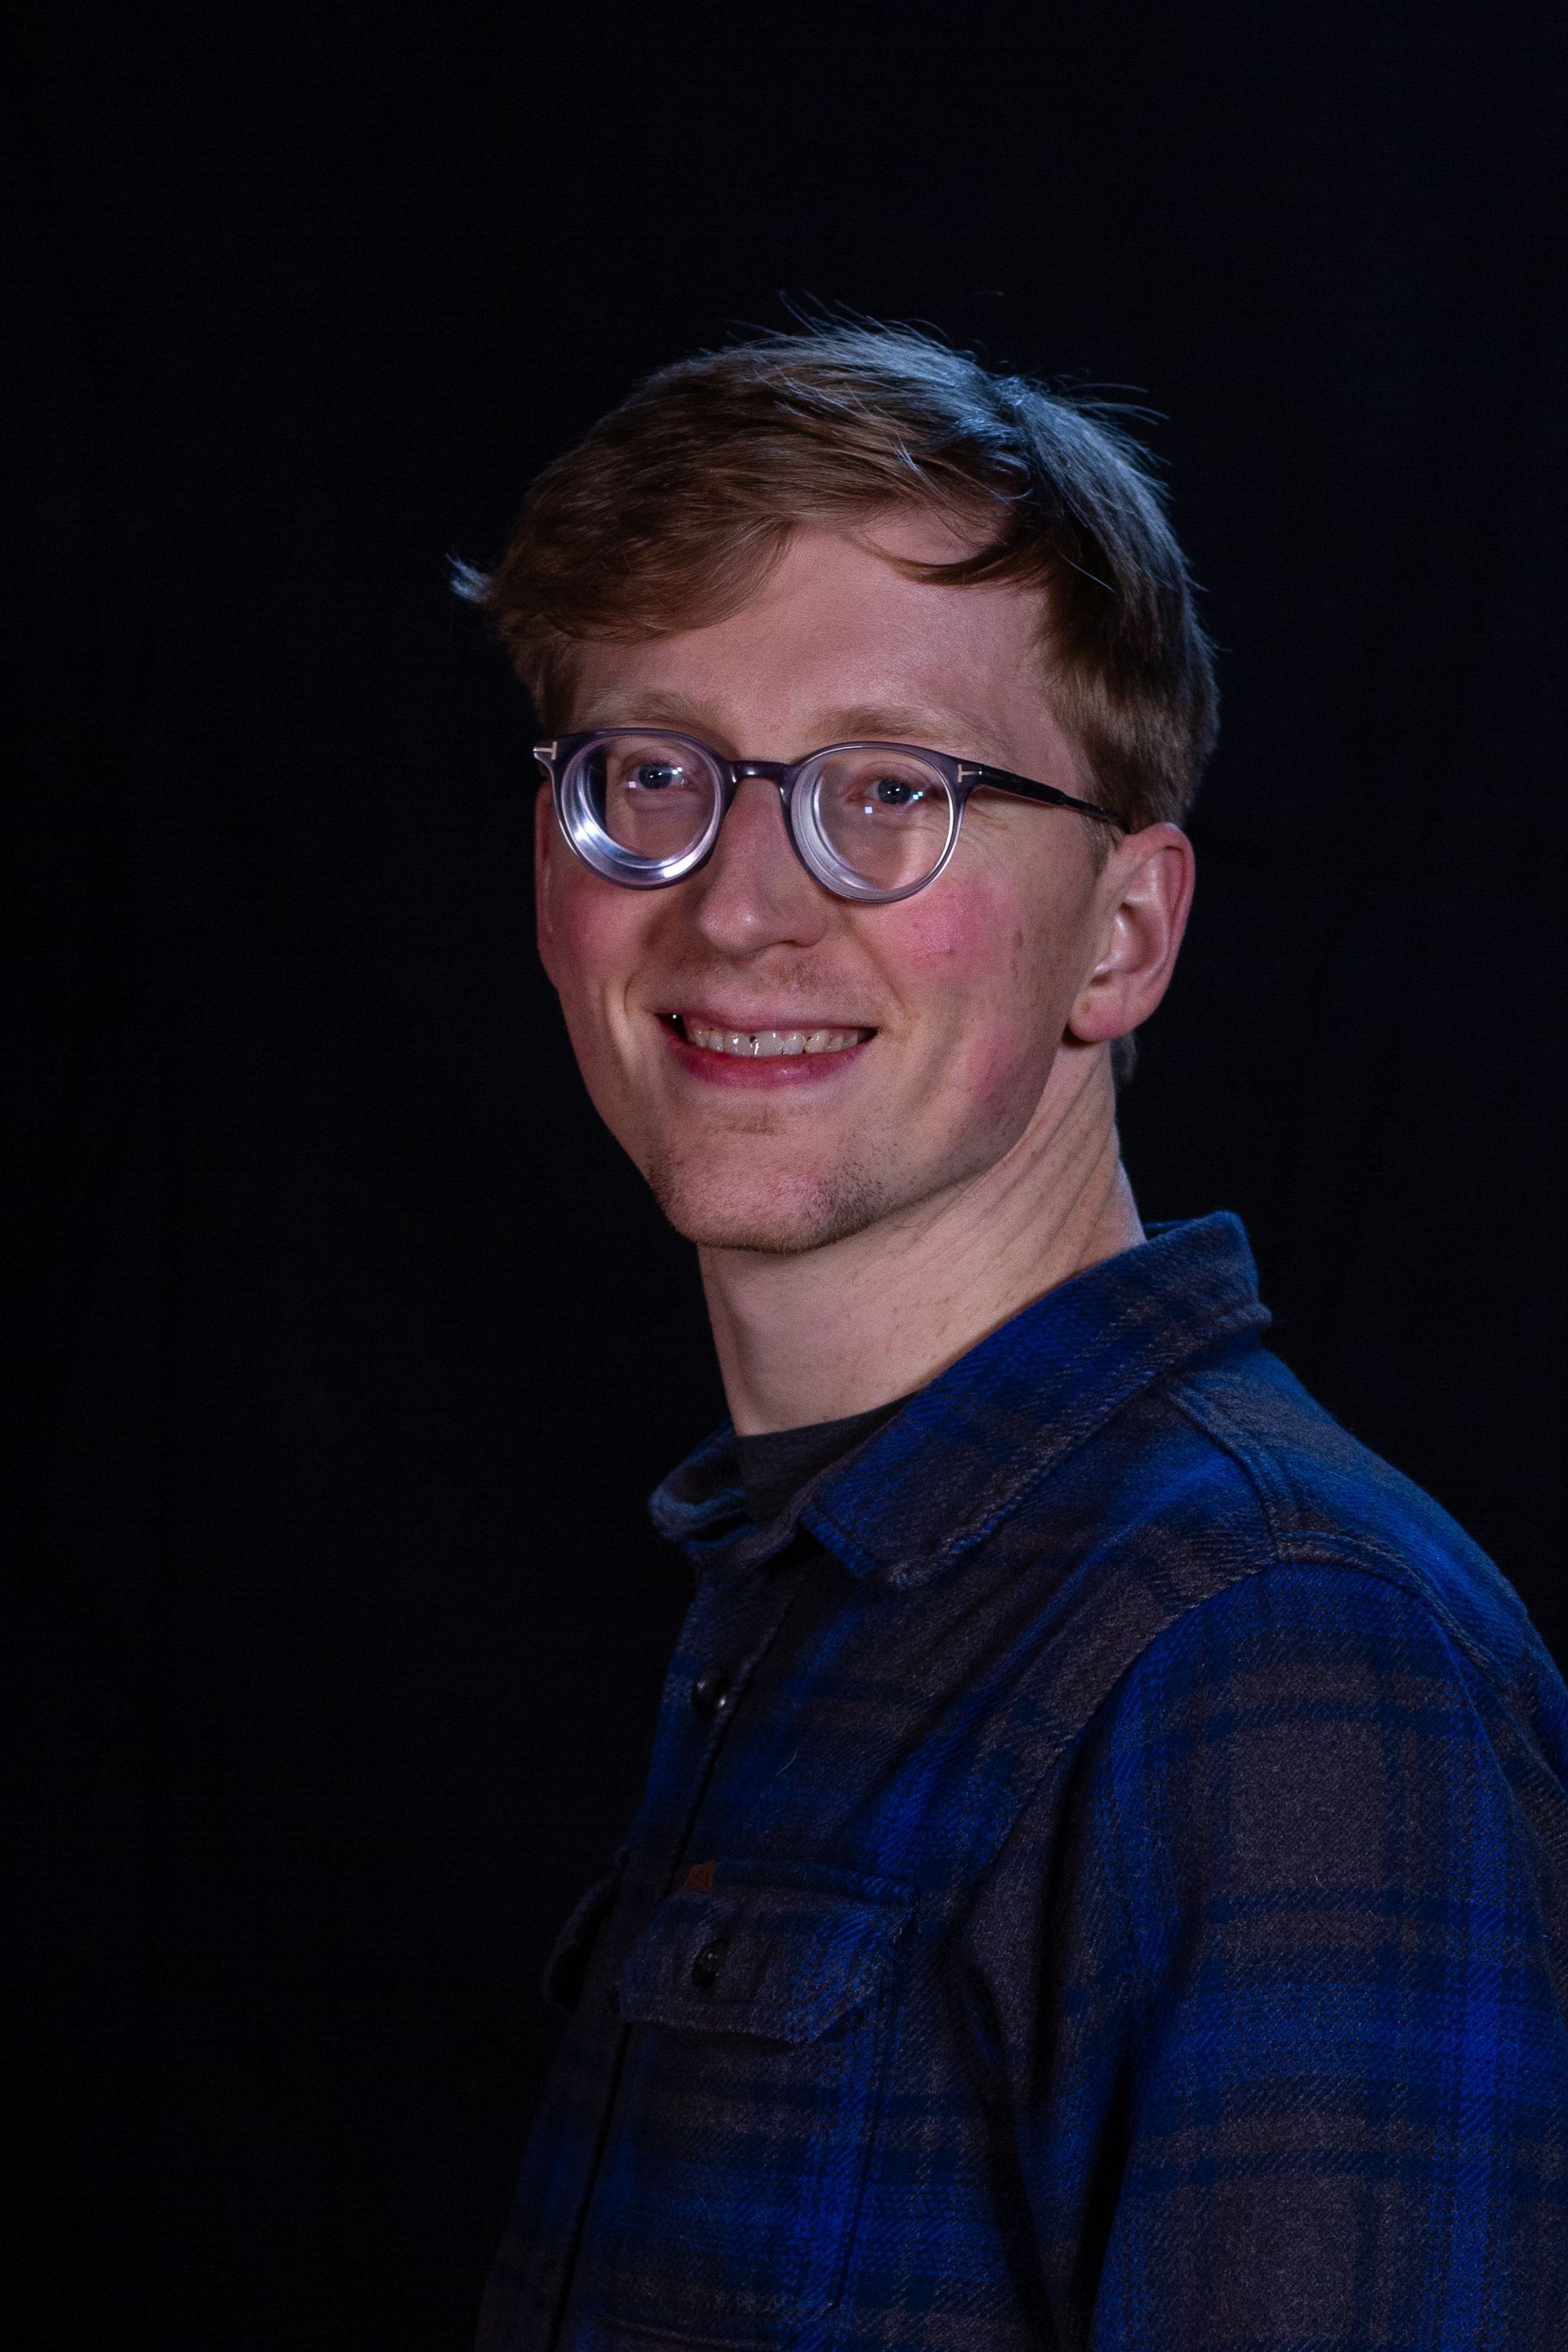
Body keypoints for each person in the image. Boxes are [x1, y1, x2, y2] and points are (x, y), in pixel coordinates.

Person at [468, 325, 1568, 2351]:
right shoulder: (820, 1584)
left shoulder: (1279, 1654)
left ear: (1125, 933)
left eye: (888, 790)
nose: (733, 913)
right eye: (654, 774)